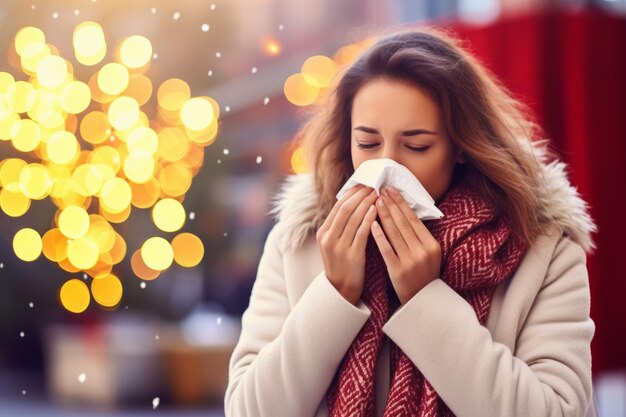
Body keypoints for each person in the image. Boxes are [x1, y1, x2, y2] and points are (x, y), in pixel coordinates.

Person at [224, 26, 598, 417]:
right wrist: (333, 295)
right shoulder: (300, 241)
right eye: (367, 144)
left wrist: (426, 300)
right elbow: (249, 410)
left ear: (461, 147)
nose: (387, 166)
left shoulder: (541, 246)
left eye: (416, 146)